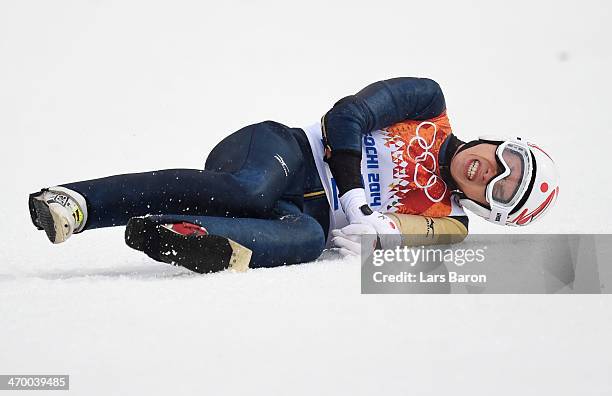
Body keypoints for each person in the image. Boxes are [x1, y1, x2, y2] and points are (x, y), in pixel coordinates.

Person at [28, 77, 560, 274]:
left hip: (304, 213)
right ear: (501, 141)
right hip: (280, 150)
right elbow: (346, 116)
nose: (490, 172)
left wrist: (385, 237)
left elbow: (409, 241)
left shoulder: (449, 221)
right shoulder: (429, 102)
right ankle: (79, 203)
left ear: (486, 206)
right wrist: (354, 193)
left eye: (500, 190)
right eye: (506, 161)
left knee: (309, 241)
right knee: (250, 189)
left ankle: (181, 232)